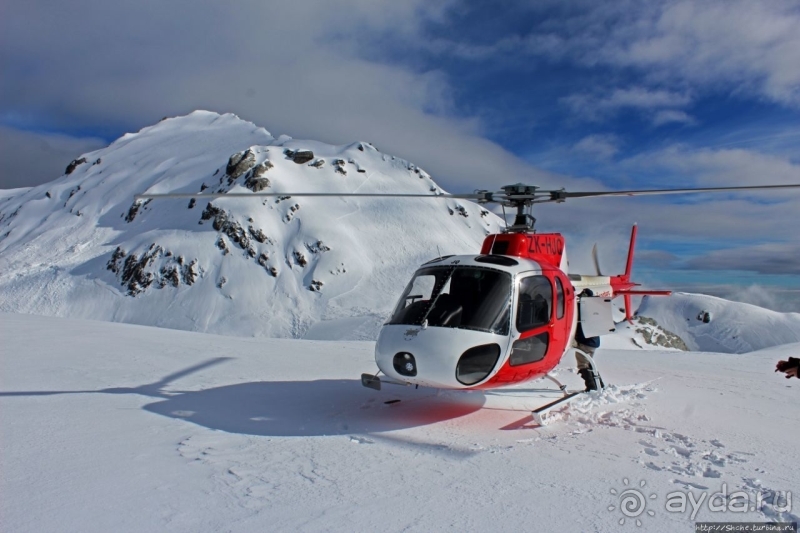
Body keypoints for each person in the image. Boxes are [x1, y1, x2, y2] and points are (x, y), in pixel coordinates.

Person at [574, 289, 605, 391]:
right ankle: (599, 384)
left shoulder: (582, 307)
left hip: (584, 342)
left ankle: (591, 386)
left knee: (583, 364)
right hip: (594, 342)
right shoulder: (595, 308)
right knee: (590, 363)